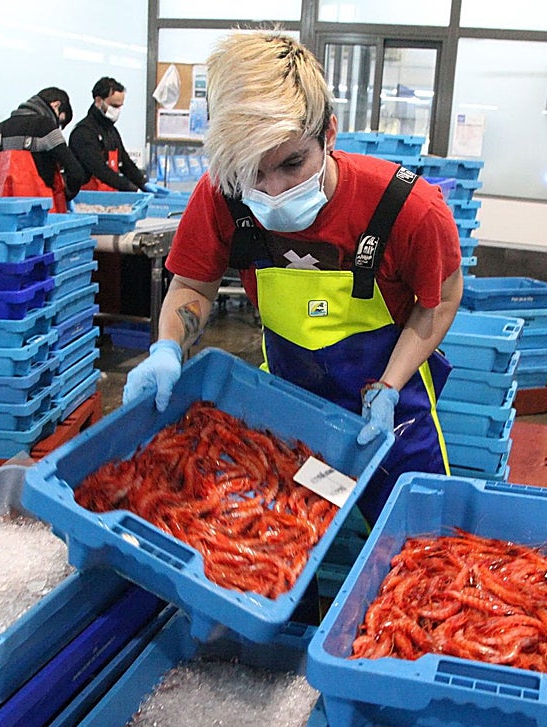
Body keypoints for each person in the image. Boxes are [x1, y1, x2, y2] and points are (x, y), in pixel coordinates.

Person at [122, 31, 464, 522]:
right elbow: (194, 284)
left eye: (292, 163)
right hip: (287, 406)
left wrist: (390, 387)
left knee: (414, 538)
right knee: (286, 536)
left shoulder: (409, 208)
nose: (273, 191)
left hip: (392, 411)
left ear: (329, 134)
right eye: (252, 173)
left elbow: (441, 300)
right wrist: (167, 348)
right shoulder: (221, 195)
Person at [0, 86, 87, 212]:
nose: (57, 126)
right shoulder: (45, 126)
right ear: (56, 105)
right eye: (60, 121)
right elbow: (76, 172)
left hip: (9, 216)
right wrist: (66, 195)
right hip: (43, 215)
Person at [69, 77, 167, 194]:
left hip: (110, 197)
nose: (117, 110)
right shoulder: (83, 133)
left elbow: (125, 163)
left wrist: (143, 183)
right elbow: (100, 169)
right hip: (86, 197)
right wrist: (132, 188)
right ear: (98, 101)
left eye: (120, 106)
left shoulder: (112, 132)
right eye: (114, 106)